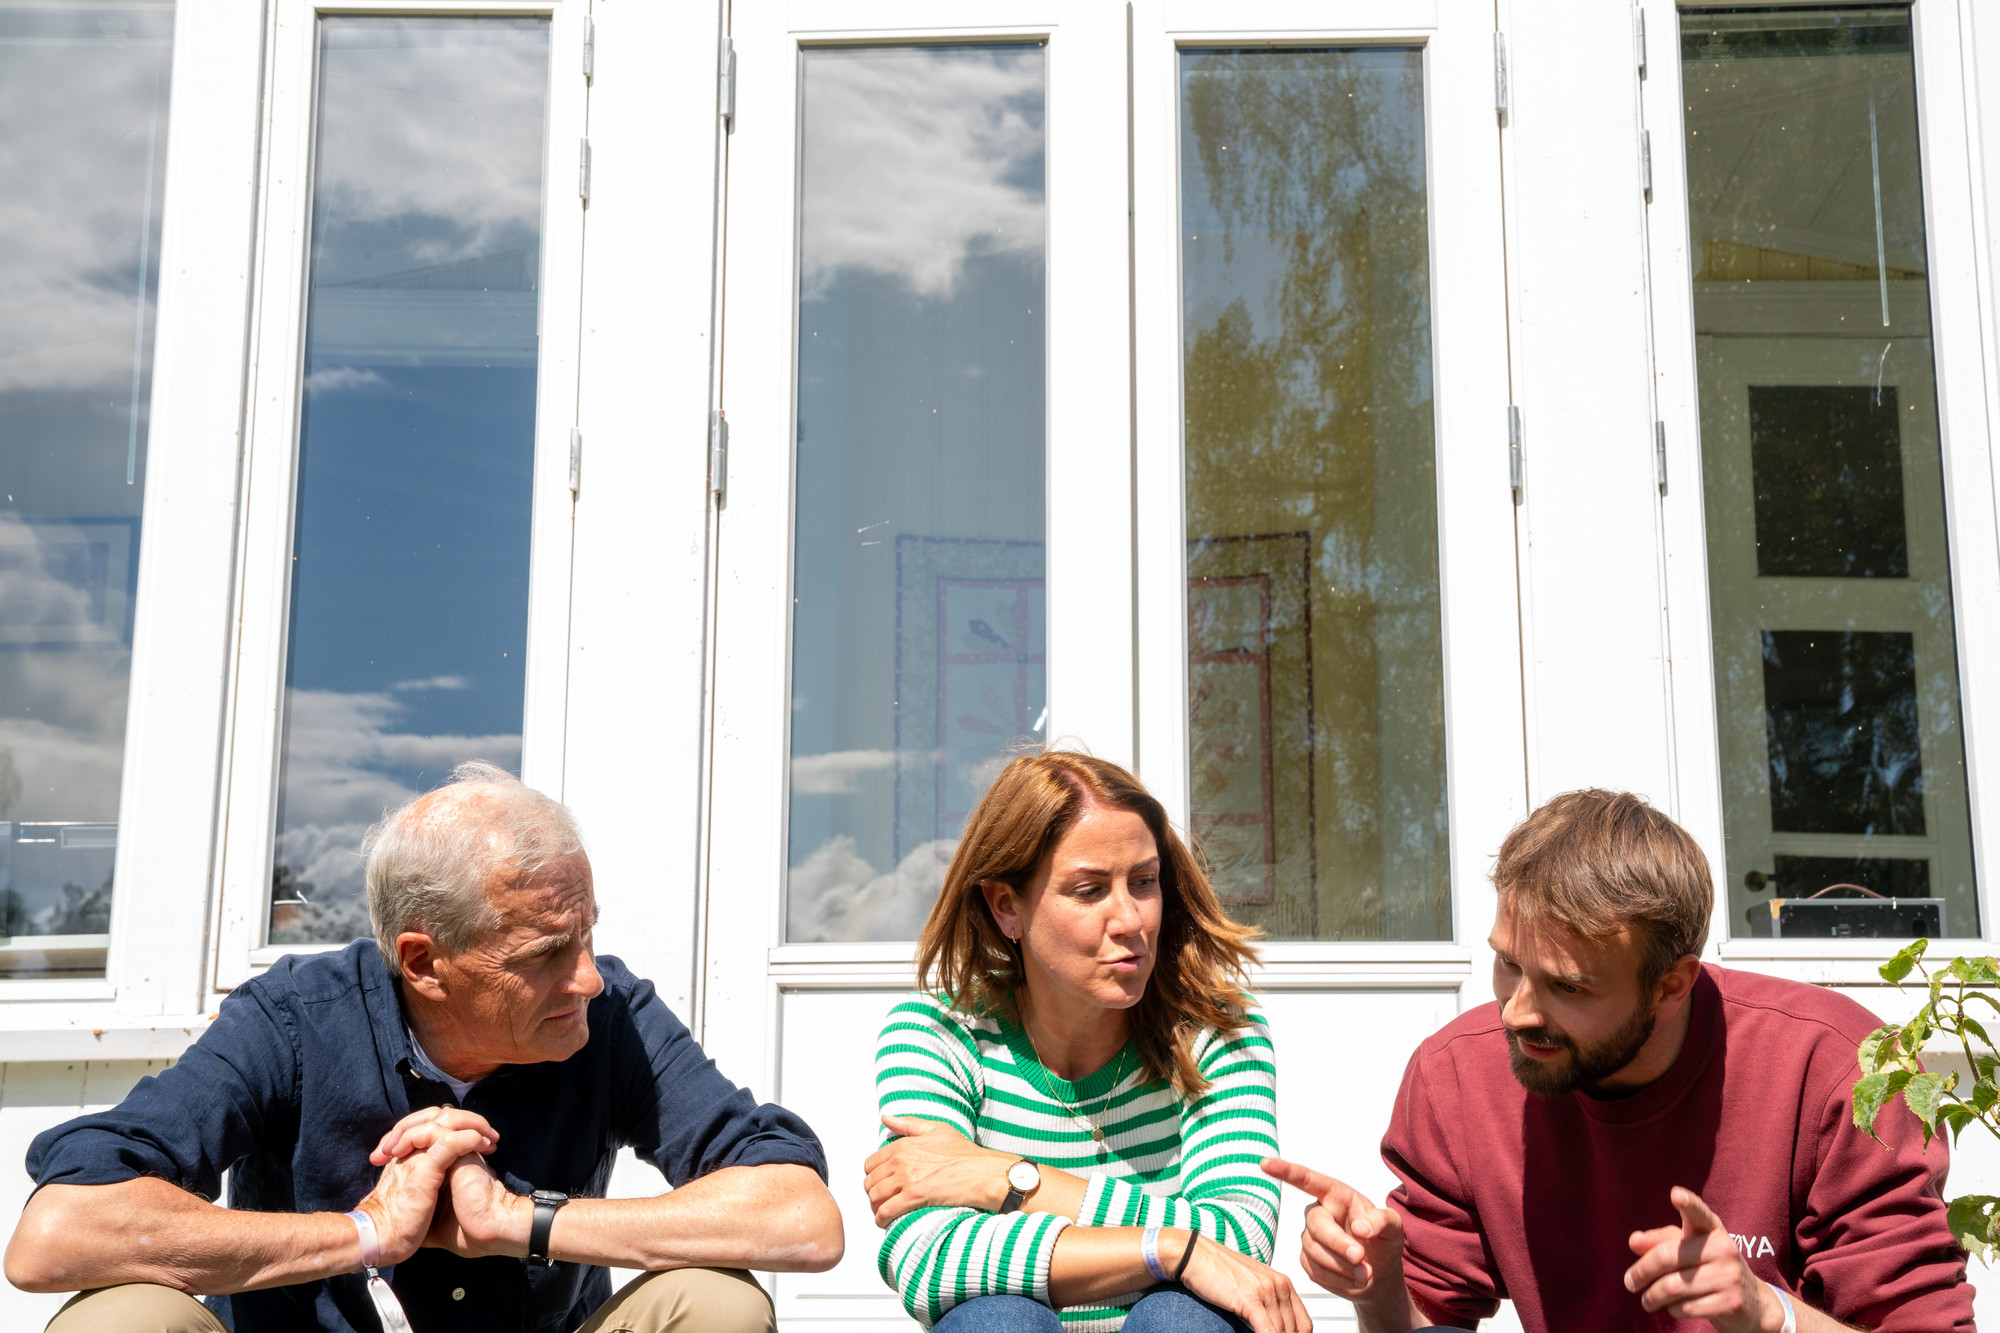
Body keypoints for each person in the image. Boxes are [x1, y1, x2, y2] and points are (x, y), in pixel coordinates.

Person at [5, 761, 843, 1333]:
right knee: (120, 1317)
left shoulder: (611, 1012)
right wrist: (367, 1231)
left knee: (714, 1302)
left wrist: (521, 1221)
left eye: (587, 936)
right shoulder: (295, 1016)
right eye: (545, 954)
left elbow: (800, 1218)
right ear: (422, 961)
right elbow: (58, 1235)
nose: (587, 978)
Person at [1264, 788, 1975, 1333]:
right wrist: (1380, 1286)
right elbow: (1427, 1323)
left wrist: (1767, 1312)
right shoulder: (1457, 1076)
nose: (1516, 1012)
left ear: (1671, 984)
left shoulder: (1836, 1070)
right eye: (1508, 964)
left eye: (1568, 986)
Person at [865, 750, 1308, 1333]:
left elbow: (1239, 1241)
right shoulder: (938, 1035)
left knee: (1181, 1318)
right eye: (1090, 889)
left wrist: (1008, 1178)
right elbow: (928, 1260)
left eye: (1144, 882)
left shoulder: (1216, 1030)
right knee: (995, 1321)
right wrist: (1172, 1249)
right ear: (1006, 908)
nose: (1130, 919)